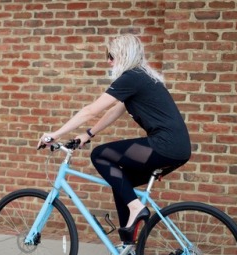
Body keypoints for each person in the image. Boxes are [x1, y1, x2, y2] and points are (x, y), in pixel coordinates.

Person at [38, 34, 191, 243]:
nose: (108, 61)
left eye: (110, 55)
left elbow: (90, 110)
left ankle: (136, 209)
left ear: (123, 55)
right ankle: (127, 247)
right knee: (121, 182)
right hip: (177, 148)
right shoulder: (142, 77)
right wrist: (88, 134)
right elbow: (114, 111)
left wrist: (53, 135)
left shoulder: (132, 77)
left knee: (100, 155)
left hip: (165, 145)